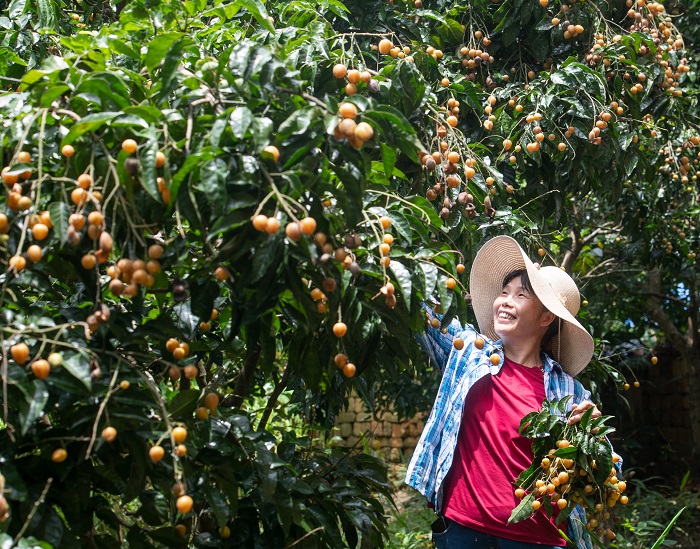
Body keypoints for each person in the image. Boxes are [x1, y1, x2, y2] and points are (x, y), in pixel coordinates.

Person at [406, 235, 605, 549]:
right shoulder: (470, 353)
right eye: (503, 292)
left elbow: (606, 474)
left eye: (521, 294)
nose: (505, 301)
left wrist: (591, 437)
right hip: (463, 530)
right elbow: (416, 304)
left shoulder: (569, 391)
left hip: (538, 540)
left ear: (546, 317)